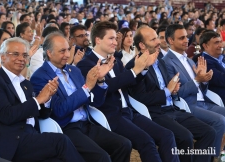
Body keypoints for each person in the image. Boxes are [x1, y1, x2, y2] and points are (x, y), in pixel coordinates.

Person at [77, 21, 180, 162]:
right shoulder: (86, 64)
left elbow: (128, 83)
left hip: (129, 112)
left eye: (115, 38)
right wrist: (134, 70)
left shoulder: (115, 61)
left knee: (167, 135)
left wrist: (143, 69)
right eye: (111, 38)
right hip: (111, 115)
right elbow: (106, 87)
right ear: (98, 40)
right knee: (146, 141)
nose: (115, 42)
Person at [30, 32, 132, 162]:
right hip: (66, 128)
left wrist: (100, 81)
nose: (67, 55)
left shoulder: (74, 71)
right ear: (49, 53)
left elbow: (95, 102)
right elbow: (59, 110)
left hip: (87, 123)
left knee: (124, 144)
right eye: (62, 51)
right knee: (102, 157)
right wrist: (87, 87)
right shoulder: (40, 77)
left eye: (68, 49)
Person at [125, 25, 216, 162]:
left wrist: (174, 90)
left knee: (209, 132)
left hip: (173, 108)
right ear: (142, 45)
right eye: (153, 39)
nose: (158, 42)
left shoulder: (160, 61)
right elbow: (140, 98)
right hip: (154, 113)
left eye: (157, 38)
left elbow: (172, 88)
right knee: (185, 137)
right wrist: (167, 91)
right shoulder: (134, 66)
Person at [0, 37, 85, 162]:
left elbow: (42, 114)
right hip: (13, 141)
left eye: (25, 55)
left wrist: (47, 99)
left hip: (33, 136)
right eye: (16, 54)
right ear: (3, 57)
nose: (21, 59)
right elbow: (6, 115)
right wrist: (38, 100)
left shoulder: (26, 84)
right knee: (61, 141)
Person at [163, 24, 225, 159]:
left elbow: (202, 88)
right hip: (188, 105)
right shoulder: (167, 62)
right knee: (219, 120)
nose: (186, 40)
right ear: (170, 40)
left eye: (186, 37)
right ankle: (212, 158)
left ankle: (213, 155)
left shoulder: (190, 60)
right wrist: (197, 80)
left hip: (204, 102)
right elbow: (175, 93)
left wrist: (203, 80)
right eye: (181, 38)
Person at [200, 30, 225, 104]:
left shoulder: (222, 57)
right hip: (219, 99)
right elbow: (222, 80)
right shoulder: (204, 62)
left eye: (220, 42)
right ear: (205, 46)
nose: (221, 45)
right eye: (216, 43)